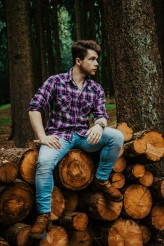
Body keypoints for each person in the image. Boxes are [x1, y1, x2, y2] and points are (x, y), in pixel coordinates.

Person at [28, 40, 124, 239]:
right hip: (59, 137)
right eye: (92, 59)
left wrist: (99, 125)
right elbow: (35, 107)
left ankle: (101, 180)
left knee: (116, 136)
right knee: (44, 163)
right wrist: (42, 136)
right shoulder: (55, 81)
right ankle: (44, 215)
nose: (97, 63)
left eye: (97, 59)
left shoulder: (95, 89)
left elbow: (101, 114)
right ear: (78, 60)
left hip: (83, 135)